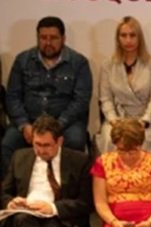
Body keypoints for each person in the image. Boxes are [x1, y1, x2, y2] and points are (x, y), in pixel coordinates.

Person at [2, 16, 92, 178]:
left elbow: (81, 101)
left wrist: (57, 126)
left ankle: (67, 187)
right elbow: (13, 97)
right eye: (43, 38)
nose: (48, 43)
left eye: (53, 38)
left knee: (75, 140)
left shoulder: (78, 63)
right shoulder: (23, 60)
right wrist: (24, 124)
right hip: (29, 121)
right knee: (8, 143)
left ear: (63, 38)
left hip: (65, 123)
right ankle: (13, 188)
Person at [96, 16, 151, 157]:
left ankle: (146, 172)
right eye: (123, 35)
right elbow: (105, 99)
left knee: (144, 141)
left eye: (132, 35)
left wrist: (144, 121)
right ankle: (113, 172)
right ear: (118, 38)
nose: (128, 40)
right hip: (118, 119)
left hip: (147, 120)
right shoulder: (107, 65)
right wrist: (114, 121)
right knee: (109, 139)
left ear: (140, 38)